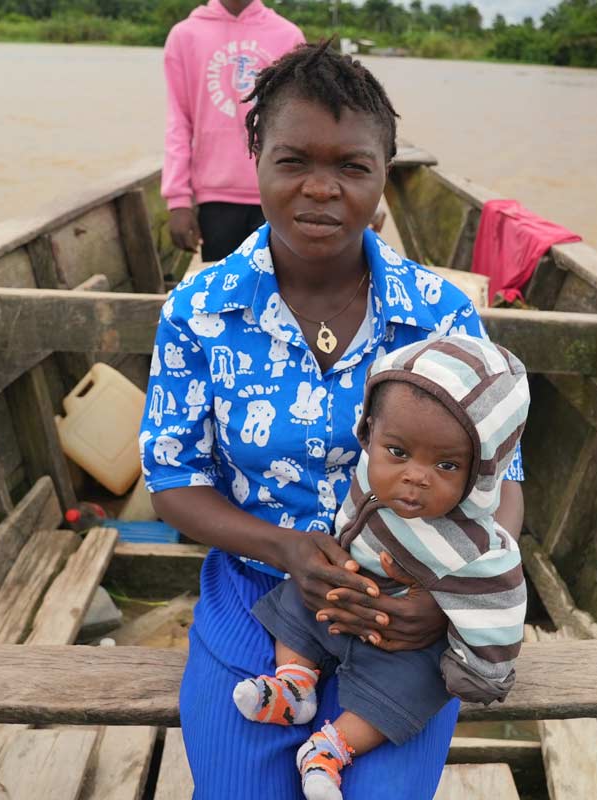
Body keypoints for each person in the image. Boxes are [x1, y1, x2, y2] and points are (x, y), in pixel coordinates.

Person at [139, 41, 525, 799]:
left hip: (408, 610)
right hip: (259, 596)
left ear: (384, 180)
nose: (321, 189)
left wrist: (445, 597)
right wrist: (286, 548)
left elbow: (503, 477)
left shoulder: (441, 314)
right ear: (256, 161)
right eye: (293, 162)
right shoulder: (198, 311)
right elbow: (174, 481)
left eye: (352, 166)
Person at [233, 336, 530, 800]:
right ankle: (294, 685)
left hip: (404, 639)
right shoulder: (371, 477)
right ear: (369, 433)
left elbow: (500, 610)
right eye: (398, 453)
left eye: (447, 464)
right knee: (296, 603)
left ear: (481, 469)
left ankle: (330, 747)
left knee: (413, 688)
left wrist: (480, 671)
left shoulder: (477, 547)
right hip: (345, 592)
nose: (415, 476)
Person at [161, 0, 305, 262]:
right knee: (226, 299)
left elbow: (302, 125)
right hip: (216, 198)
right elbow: (179, 123)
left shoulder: (288, 36)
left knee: (280, 293)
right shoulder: (185, 36)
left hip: (277, 192)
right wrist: (178, 201)